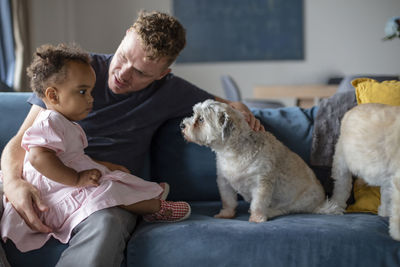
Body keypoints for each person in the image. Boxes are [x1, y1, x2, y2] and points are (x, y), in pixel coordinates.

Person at [0, 10, 263, 267]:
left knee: (107, 221)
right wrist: (13, 184)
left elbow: (229, 105)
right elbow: (21, 140)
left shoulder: (170, 90)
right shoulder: (76, 72)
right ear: (126, 36)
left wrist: (241, 110)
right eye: (124, 56)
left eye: (140, 73)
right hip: (47, 181)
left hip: (104, 192)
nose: (123, 73)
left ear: (161, 74)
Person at [0, 43, 193, 253]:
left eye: (90, 91)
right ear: (53, 96)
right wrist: (76, 179)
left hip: (58, 182)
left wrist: (103, 165)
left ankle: (149, 197)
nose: (91, 98)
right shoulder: (50, 121)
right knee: (108, 190)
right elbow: (38, 157)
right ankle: (156, 207)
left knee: (112, 178)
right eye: (82, 92)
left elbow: (68, 157)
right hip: (53, 188)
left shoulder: (64, 123)